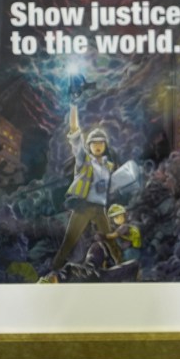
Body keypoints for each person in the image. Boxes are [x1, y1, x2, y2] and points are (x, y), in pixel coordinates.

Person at [50, 103, 123, 271]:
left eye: (101, 143)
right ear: (89, 146)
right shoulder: (83, 159)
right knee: (69, 240)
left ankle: (123, 267)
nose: (98, 146)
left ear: (105, 146)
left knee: (110, 241)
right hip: (83, 207)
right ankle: (54, 270)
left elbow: (112, 187)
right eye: (94, 143)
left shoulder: (108, 166)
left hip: (100, 209)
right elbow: (75, 132)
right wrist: (73, 106)